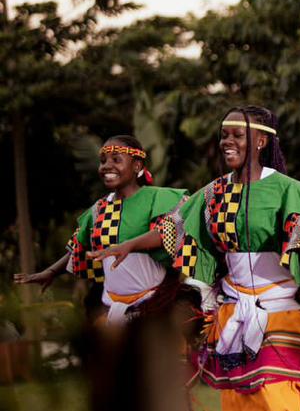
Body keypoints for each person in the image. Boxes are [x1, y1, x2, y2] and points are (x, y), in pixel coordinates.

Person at [92, 107, 300, 411]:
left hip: (280, 308)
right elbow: (172, 226)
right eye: (224, 135)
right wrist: (128, 245)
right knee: (243, 407)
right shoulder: (212, 194)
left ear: (261, 142)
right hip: (232, 311)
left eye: (238, 135)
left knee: (278, 398)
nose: (227, 141)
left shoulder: (284, 188)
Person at [16, 135, 189, 325]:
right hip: (113, 308)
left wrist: (129, 245)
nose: (107, 166)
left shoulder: (158, 197)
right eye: (103, 161)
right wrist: (50, 272)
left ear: (137, 166)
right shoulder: (99, 209)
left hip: (154, 305)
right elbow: (79, 247)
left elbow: (170, 232)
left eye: (116, 159)